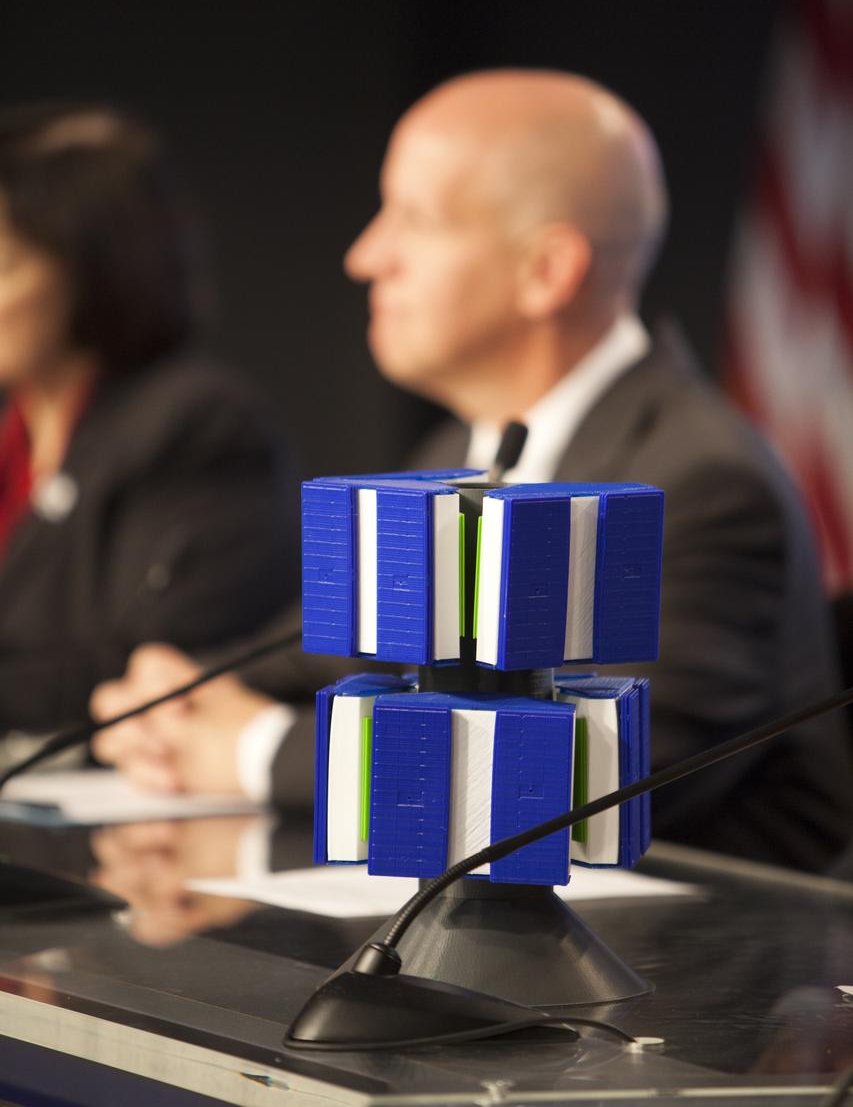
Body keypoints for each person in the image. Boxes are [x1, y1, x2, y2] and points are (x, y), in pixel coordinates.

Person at [91, 70, 853, 871]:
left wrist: (255, 749)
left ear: (545, 272)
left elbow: (585, 782)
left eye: (410, 219)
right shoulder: (459, 453)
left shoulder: (696, 483)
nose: (364, 257)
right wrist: (175, 700)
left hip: (700, 973)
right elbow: (318, 650)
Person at [0, 102, 298, 737]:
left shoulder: (193, 423)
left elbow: (143, 668)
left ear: (90, 272)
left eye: (2, 266)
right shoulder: (13, 438)